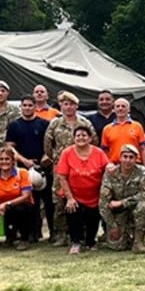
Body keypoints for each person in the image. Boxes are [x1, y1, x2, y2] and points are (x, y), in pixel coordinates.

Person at [44, 91, 95, 247]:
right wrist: (56, 159)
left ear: (76, 106)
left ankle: (82, 234)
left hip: (81, 168)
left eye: (71, 104)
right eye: (65, 104)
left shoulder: (84, 123)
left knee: (82, 200)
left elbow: (94, 142)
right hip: (61, 168)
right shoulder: (55, 124)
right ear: (61, 105)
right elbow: (47, 145)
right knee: (59, 201)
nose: (68, 107)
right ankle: (61, 234)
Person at [56, 124, 111, 254]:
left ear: (90, 138)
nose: (81, 138)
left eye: (84, 135)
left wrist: (111, 167)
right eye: (78, 135)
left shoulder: (98, 152)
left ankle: (91, 242)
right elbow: (62, 177)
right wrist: (70, 198)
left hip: (94, 195)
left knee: (93, 218)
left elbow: (108, 167)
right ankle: (76, 242)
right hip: (73, 194)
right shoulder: (67, 153)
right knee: (73, 213)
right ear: (74, 138)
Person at [6, 95, 52, 239]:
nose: (27, 108)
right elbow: (10, 147)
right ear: (21, 107)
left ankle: (54, 233)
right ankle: (33, 233)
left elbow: (52, 144)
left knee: (49, 201)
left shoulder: (44, 124)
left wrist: (46, 158)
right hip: (23, 170)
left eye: (30, 105)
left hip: (43, 168)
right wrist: (24, 161)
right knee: (30, 202)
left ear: (35, 107)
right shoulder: (14, 125)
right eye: (24, 105)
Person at [99, 144, 145, 252]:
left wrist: (122, 202)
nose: (128, 160)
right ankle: (122, 234)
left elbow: (144, 195)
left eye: (131, 157)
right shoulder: (111, 173)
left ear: (136, 159)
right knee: (117, 246)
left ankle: (138, 242)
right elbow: (103, 201)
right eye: (125, 157)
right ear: (120, 158)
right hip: (119, 212)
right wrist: (112, 225)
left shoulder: (142, 172)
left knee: (143, 206)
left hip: (135, 208)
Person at [0, 146, 36, 251]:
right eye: (1, 159)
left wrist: (7, 204)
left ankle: (24, 239)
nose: (4, 162)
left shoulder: (22, 173)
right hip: (3, 209)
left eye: (7, 159)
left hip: (22, 206)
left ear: (13, 161)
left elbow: (26, 196)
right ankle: (7, 236)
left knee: (20, 210)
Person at [101, 97, 145, 164]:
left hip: (134, 164)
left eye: (123, 106)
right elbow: (105, 151)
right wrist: (108, 165)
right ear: (114, 109)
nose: (120, 108)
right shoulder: (107, 129)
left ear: (129, 109)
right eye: (117, 106)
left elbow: (143, 148)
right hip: (115, 165)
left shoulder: (137, 126)